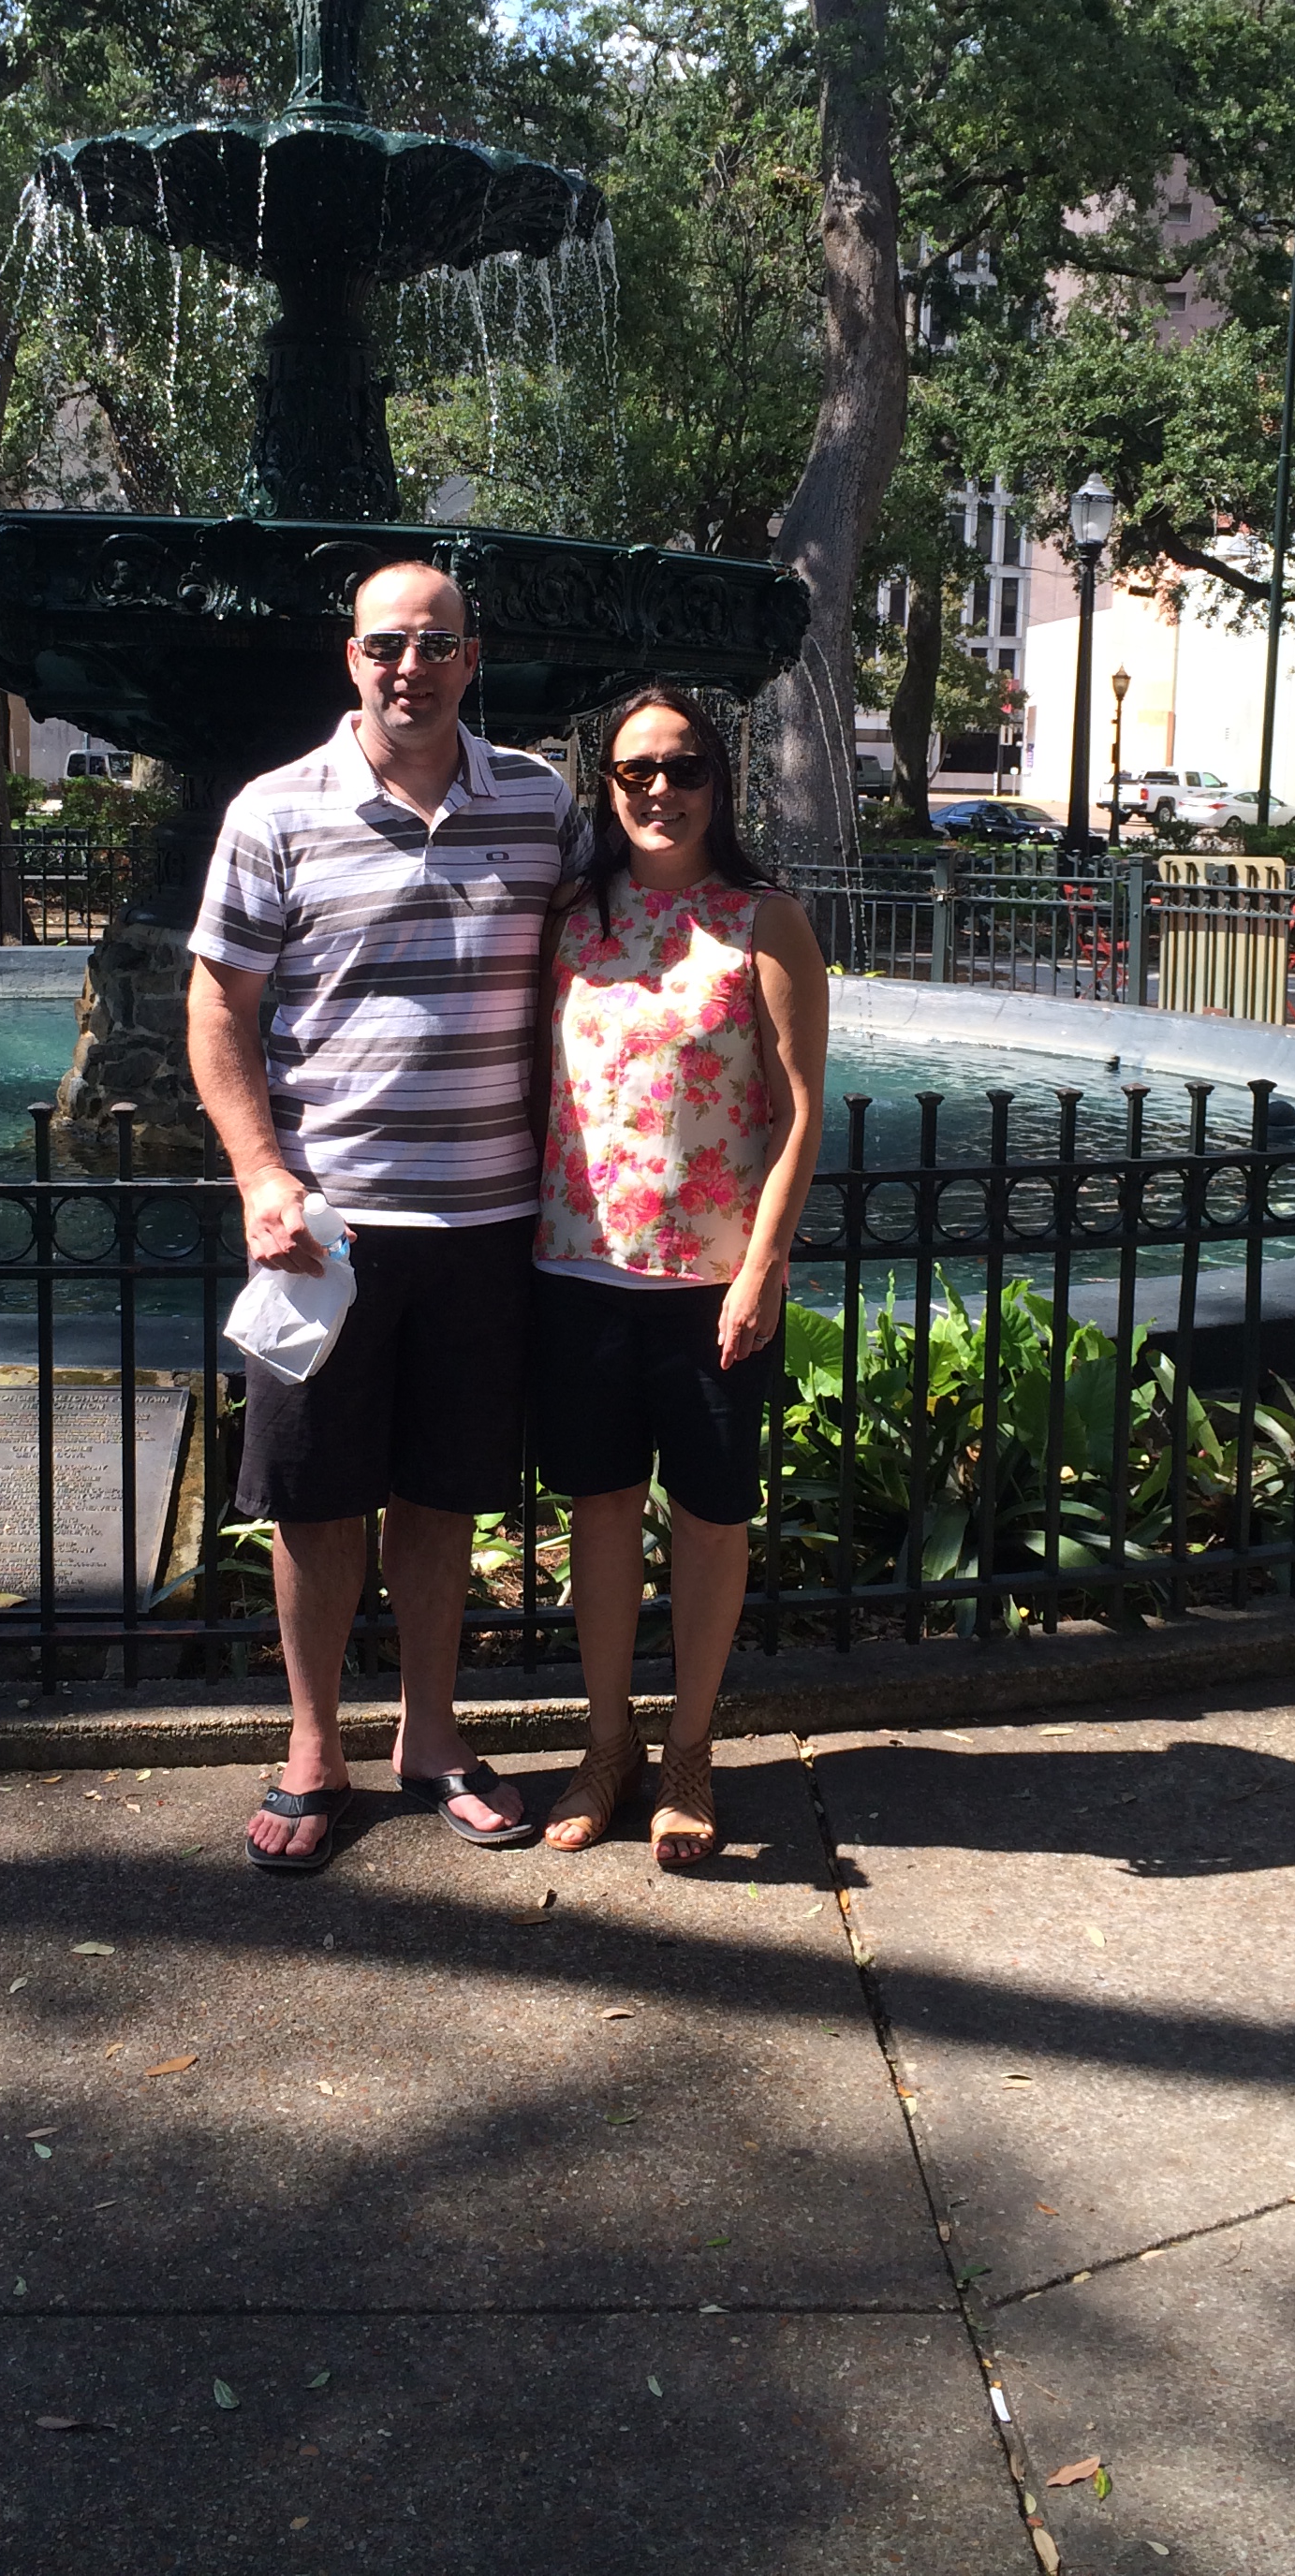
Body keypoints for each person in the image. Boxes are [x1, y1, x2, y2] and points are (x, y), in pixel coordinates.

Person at [186, 561, 584, 1874]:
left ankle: (431, 1733)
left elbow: (604, 958)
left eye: (436, 644)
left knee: (444, 1493)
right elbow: (220, 1008)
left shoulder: (539, 803)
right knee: (315, 1497)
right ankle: (314, 1746)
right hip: (329, 1230)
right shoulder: (274, 810)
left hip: (491, 1221)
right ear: (348, 656)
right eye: (386, 645)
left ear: (474, 657)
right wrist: (261, 1175)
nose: (410, 666)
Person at [532, 686, 828, 1866]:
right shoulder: (571, 917)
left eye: (685, 767)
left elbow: (800, 1114)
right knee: (600, 1513)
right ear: (606, 784)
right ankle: (608, 1746)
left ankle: (689, 1751)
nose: (660, 789)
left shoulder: (763, 922)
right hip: (577, 1271)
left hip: (712, 1288)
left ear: (720, 780)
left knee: (710, 1521)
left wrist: (763, 1268)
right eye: (635, 770)